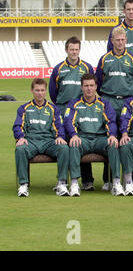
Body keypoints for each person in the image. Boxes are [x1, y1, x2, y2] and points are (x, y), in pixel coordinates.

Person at [96, 26, 133, 190]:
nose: (120, 42)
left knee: (127, 138)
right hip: (109, 101)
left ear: (126, 40)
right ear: (112, 41)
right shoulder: (104, 59)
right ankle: (109, 179)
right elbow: (98, 83)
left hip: (127, 102)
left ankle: (130, 178)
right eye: (117, 40)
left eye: (123, 40)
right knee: (110, 138)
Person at [48, 36, 96, 191]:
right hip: (63, 110)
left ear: (79, 50)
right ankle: (63, 181)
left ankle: (87, 180)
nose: (74, 52)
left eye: (76, 49)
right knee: (64, 143)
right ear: (66, 50)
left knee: (81, 140)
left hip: (82, 109)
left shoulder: (86, 67)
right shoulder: (58, 68)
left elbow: (92, 86)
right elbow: (53, 92)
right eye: (71, 49)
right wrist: (62, 106)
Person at [65, 74, 123, 197]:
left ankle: (116, 183)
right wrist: (74, 135)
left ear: (96, 86)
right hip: (83, 138)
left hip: (100, 139)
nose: (89, 88)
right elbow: (69, 121)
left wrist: (112, 135)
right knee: (74, 144)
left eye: (91, 85)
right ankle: (75, 183)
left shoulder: (104, 104)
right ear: (81, 87)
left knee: (113, 144)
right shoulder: (74, 104)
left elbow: (111, 121)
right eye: (86, 86)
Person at [13, 78, 70, 197]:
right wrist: (20, 137)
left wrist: (60, 136)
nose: (40, 93)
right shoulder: (24, 108)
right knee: (20, 149)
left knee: (64, 148)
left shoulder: (53, 108)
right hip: (31, 142)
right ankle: (23, 185)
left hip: (49, 142)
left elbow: (60, 125)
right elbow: (18, 125)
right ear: (32, 91)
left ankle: (61, 183)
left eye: (42, 90)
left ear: (45, 91)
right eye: (37, 90)